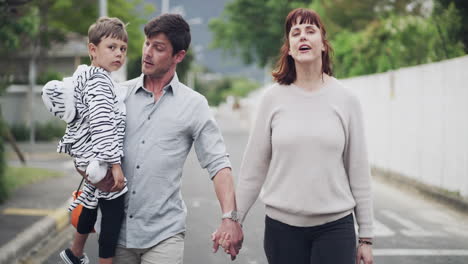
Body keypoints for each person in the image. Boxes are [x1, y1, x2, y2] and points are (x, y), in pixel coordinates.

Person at [215, 7, 374, 264]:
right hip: (282, 230)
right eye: (295, 33)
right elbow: (253, 168)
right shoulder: (272, 98)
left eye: (310, 31)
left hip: (335, 228)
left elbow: (358, 170)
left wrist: (365, 238)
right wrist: (235, 220)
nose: (302, 37)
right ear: (289, 48)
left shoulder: (346, 100)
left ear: (323, 44)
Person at [86, 14, 244, 264]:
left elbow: (218, 164)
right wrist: (89, 174)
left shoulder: (194, 104)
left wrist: (230, 218)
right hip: (115, 232)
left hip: (165, 234)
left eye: (158, 48)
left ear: (178, 56)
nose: (147, 52)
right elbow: (87, 144)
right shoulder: (118, 94)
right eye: (147, 43)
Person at [41, 17, 128, 264]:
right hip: (100, 158)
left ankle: (74, 253)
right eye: (111, 47)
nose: (118, 54)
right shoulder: (100, 82)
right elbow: (102, 125)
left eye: (123, 49)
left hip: (88, 156)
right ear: (93, 49)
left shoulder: (85, 76)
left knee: (90, 198)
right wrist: (115, 164)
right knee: (113, 209)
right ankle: (104, 260)